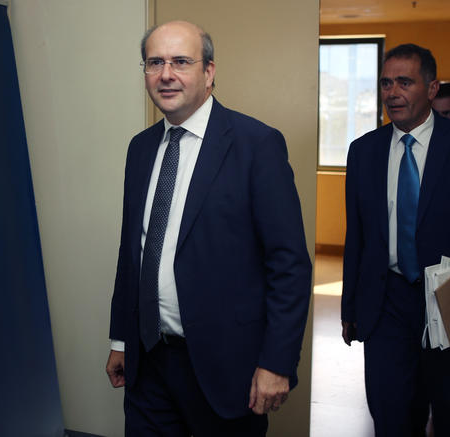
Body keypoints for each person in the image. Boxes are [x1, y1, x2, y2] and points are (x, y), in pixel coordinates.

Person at [105, 20, 311, 436]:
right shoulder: (140, 149)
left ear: (209, 72)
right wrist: (121, 340)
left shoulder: (257, 145)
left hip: (226, 370)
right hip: (149, 364)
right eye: (155, 62)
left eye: (181, 61)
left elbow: (289, 264)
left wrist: (277, 362)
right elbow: (133, 253)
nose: (166, 74)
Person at [341, 43, 450, 436]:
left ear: (432, 88)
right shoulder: (363, 151)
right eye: (386, 83)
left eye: (404, 82)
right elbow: (358, 239)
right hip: (385, 303)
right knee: (390, 416)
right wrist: (350, 308)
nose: (393, 92)